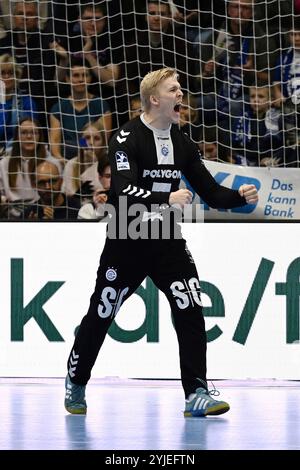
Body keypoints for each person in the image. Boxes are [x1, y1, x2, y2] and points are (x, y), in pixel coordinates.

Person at [65, 67, 258, 417]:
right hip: (128, 239)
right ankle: (76, 378)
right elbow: (122, 190)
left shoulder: (183, 143)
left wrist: (239, 196)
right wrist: (165, 199)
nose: (181, 94)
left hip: (167, 240)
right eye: (174, 89)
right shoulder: (126, 138)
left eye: (181, 89)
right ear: (155, 99)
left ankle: (196, 393)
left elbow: (211, 193)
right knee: (102, 312)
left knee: (190, 308)